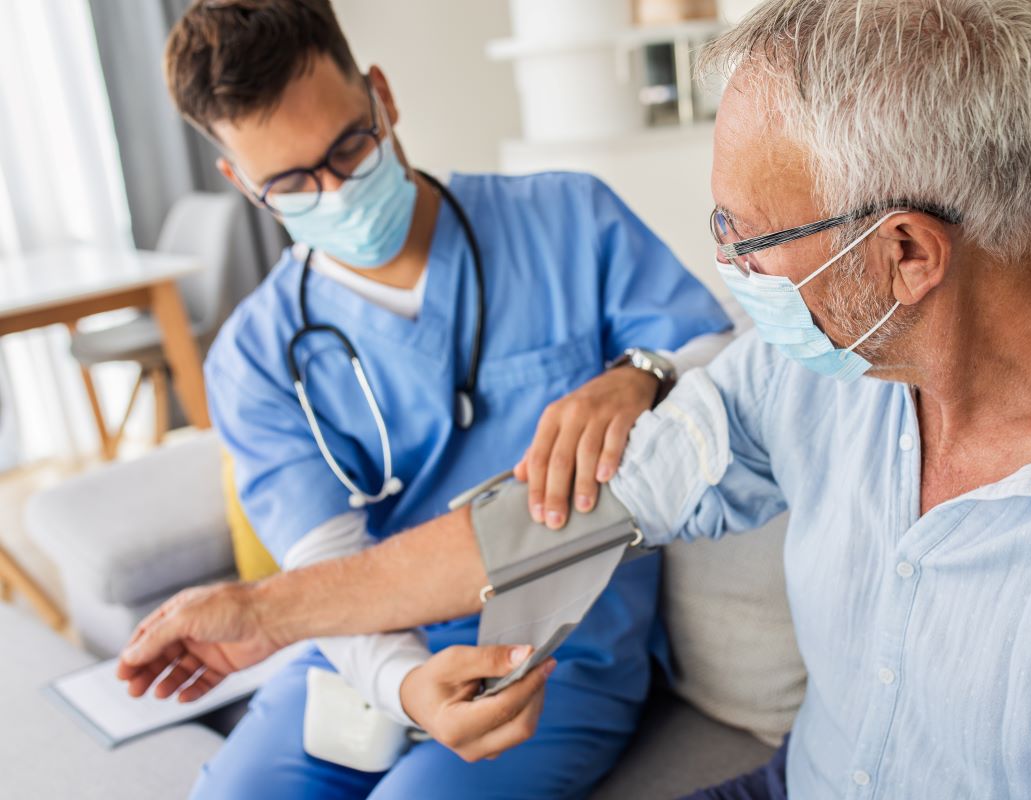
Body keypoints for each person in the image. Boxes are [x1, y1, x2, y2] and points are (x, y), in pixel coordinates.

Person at [120, 0, 1031, 797]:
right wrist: (259, 613)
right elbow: (555, 520)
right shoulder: (824, 365)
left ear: (905, 252)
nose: (723, 271)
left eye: (744, 240)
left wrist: (637, 369)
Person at [149, 1, 731, 798]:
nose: (338, 192)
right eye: (292, 182)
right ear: (241, 182)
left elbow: (726, 364)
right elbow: (324, 565)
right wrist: (401, 683)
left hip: (554, 649)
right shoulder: (252, 358)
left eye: (350, 148)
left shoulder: (566, 218)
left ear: (381, 98)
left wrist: (641, 376)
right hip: (360, 642)